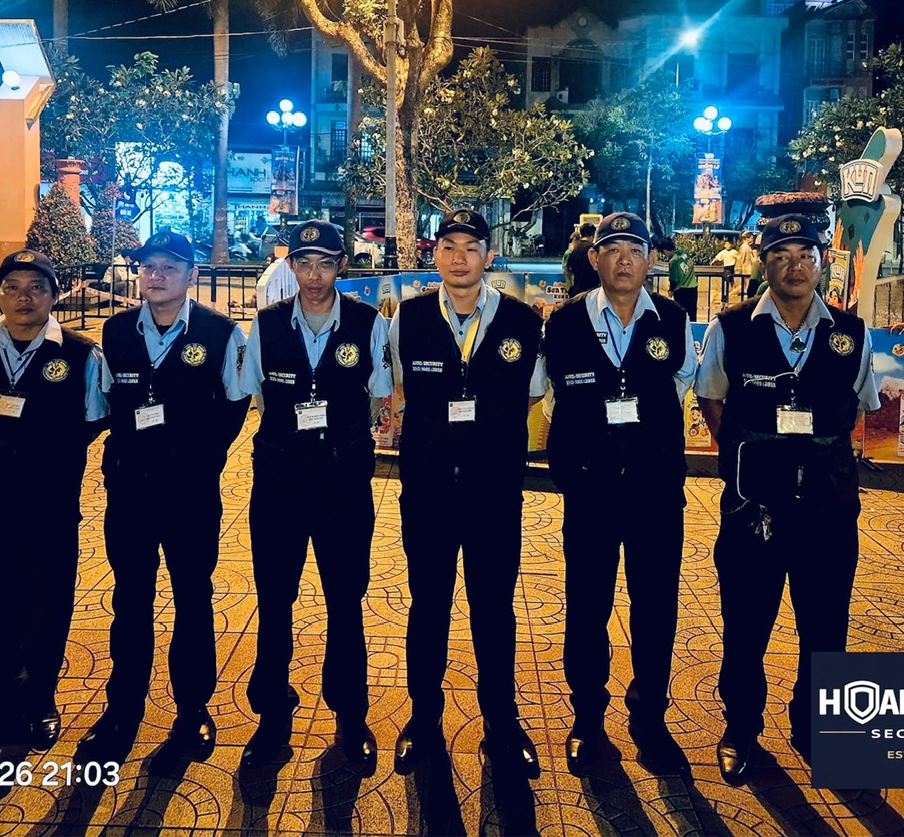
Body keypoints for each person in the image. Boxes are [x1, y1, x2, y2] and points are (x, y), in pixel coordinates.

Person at [695, 214, 880, 784]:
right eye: (780, 255)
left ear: (822, 263)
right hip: (753, 508)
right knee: (745, 625)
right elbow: (711, 398)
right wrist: (751, 455)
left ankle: (815, 727)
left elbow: (859, 407)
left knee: (825, 626)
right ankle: (740, 727)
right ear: (763, 263)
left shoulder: (852, 334)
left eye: (805, 255)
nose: (794, 266)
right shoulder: (731, 328)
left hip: (828, 509)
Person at [79, 231, 250, 764]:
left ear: (192, 275)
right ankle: (122, 709)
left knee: (193, 597)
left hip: (190, 492)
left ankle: (192, 709)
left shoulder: (220, 333)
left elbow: (236, 403)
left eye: (169, 267)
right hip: (130, 488)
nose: (155, 276)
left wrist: (201, 456)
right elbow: (109, 398)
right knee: (130, 599)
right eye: (148, 266)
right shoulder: (115, 331)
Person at [388, 208, 547, 778]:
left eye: (471, 247)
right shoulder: (407, 318)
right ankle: (423, 719)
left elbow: (532, 393)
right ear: (434, 255)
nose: (459, 258)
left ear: (488, 256)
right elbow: (399, 386)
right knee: (428, 606)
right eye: (449, 246)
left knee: (494, 609)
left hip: (493, 491)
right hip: (428, 489)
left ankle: (501, 724)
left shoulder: (523, 321)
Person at [0, 250, 108, 750]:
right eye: (12, 287)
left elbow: (95, 421)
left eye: (36, 287)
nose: (24, 297)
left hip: (49, 505)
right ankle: (2, 694)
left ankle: (40, 700)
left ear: (55, 296)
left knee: (47, 601)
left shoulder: (81, 356)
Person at [541, 213, 696, 775]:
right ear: (594, 259)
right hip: (591, 491)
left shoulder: (672, 320)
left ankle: (649, 716)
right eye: (612, 249)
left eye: (635, 249)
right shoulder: (564, 323)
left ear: (651, 259)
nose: (624, 260)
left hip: (656, 491)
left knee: (656, 606)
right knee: (587, 605)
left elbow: (681, 385)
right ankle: (588, 718)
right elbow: (551, 397)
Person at [239, 220, 393, 768]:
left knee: (345, 598)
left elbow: (377, 395)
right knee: (274, 598)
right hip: (279, 478)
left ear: (341, 267)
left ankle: (350, 713)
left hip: (342, 480)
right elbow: (256, 395)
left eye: (325, 263)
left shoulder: (368, 323)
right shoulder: (266, 323)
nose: (313, 275)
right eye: (303, 263)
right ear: (291, 267)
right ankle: (271, 713)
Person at [566, 222, 600, 297]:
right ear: (593, 234)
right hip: (591, 292)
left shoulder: (574, 249)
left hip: (576, 291)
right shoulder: (594, 249)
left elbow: (569, 270)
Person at [667, 242, 699, 321]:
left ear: (665, 250)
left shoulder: (673, 261)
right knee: (692, 314)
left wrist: (671, 290)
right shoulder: (684, 253)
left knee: (681, 315)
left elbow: (674, 280)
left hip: (681, 290)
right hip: (693, 287)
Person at [710, 239, 739, 304]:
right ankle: (728, 291)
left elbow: (739, 257)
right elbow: (718, 257)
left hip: (732, 266)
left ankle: (734, 291)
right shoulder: (723, 252)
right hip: (726, 266)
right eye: (726, 244)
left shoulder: (734, 252)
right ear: (724, 245)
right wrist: (713, 262)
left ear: (731, 245)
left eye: (729, 244)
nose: (727, 246)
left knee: (731, 279)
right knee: (727, 279)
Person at [735, 233, 759, 301]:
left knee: (747, 283)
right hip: (746, 267)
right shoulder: (745, 247)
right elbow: (742, 257)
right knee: (747, 282)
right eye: (751, 238)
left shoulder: (746, 246)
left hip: (747, 266)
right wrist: (739, 266)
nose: (752, 239)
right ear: (747, 238)